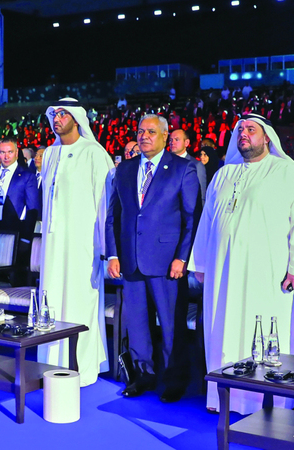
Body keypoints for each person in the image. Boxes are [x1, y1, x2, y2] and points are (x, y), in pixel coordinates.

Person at [189, 114, 294, 415]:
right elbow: (207, 221)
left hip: (267, 272)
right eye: (240, 130)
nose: (244, 133)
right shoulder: (223, 174)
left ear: (267, 137)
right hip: (222, 271)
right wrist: (200, 263)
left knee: (264, 333)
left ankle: (266, 402)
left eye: (251, 129)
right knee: (222, 329)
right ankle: (223, 398)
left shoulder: (286, 171)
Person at [106, 114, 200, 403]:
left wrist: (182, 258)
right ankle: (143, 376)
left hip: (167, 263)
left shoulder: (183, 168)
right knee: (136, 324)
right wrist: (113, 253)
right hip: (130, 260)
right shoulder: (125, 168)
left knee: (171, 325)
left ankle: (174, 380)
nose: (144, 136)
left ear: (164, 136)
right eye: (140, 131)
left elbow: (191, 217)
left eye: (151, 131)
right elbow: (114, 215)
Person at [36, 98, 114, 387]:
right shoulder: (50, 153)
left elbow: (106, 205)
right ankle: (50, 362)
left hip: (84, 246)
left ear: (77, 119)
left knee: (80, 303)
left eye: (63, 114)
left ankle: (82, 367)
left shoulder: (94, 153)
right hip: (53, 246)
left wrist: (105, 249)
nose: (57, 119)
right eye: (54, 114)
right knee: (52, 300)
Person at [0, 138, 39, 271]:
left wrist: (26, 238)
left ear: (16, 153)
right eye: (2, 152)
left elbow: (32, 209)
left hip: (14, 230)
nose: (6, 156)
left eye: (10, 152)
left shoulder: (27, 176)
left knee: (11, 272)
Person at [169, 129, 206, 204]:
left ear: (186, 143)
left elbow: (201, 195)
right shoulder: (166, 162)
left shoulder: (196, 165)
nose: (172, 143)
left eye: (177, 140)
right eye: (170, 140)